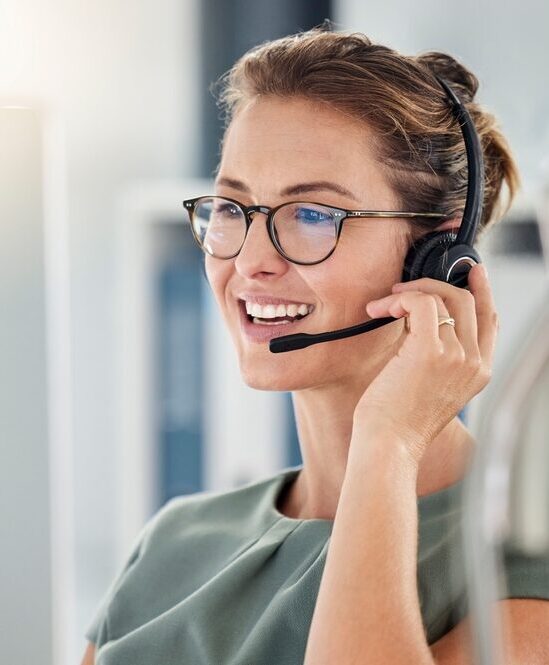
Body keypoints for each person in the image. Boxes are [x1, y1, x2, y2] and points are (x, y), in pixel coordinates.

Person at [81, 24, 549, 665]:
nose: (251, 260)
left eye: (312, 215)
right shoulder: (175, 541)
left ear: (436, 257)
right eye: (232, 207)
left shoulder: (519, 558)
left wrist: (389, 441)